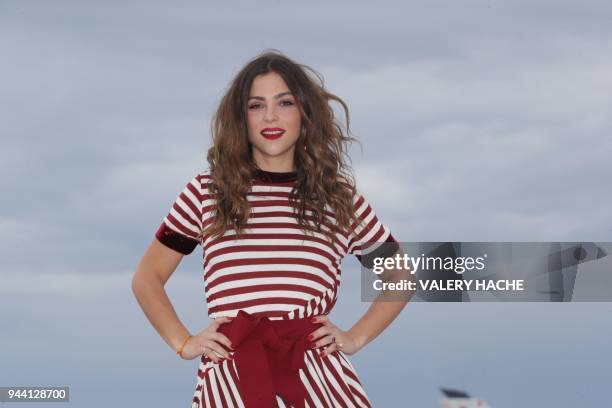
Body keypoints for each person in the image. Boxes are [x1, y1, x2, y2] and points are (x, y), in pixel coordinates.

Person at [132, 50, 410, 408]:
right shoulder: (207, 190)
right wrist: (184, 342)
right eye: (256, 105)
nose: (271, 116)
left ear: (305, 112)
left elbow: (400, 274)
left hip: (317, 377)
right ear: (240, 117)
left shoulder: (338, 197)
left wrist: (355, 338)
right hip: (232, 375)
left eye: (285, 102)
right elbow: (147, 277)